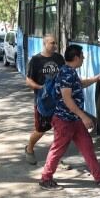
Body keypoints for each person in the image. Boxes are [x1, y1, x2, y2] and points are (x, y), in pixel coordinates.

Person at [39, 44, 100, 190]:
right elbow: (67, 99)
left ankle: (99, 176)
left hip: (73, 120)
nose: (83, 58)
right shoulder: (66, 73)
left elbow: (79, 84)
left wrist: (96, 79)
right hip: (64, 120)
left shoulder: (69, 72)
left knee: (87, 146)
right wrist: (84, 117)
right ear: (76, 58)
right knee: (58, 149)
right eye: (82, 56)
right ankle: (46, 178)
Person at [24, 34, 67, 166]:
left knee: (60, 131)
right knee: (40, 130)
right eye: (52, 43)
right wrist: (40, 87)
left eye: (55, 43)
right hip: (42, 102)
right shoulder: (36, 60)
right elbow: (28, 81)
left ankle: (56, 157)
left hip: (58, 101)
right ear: (45, 44)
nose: (55, 46)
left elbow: (65, 73)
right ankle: (29, 148)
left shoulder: (59, 58)